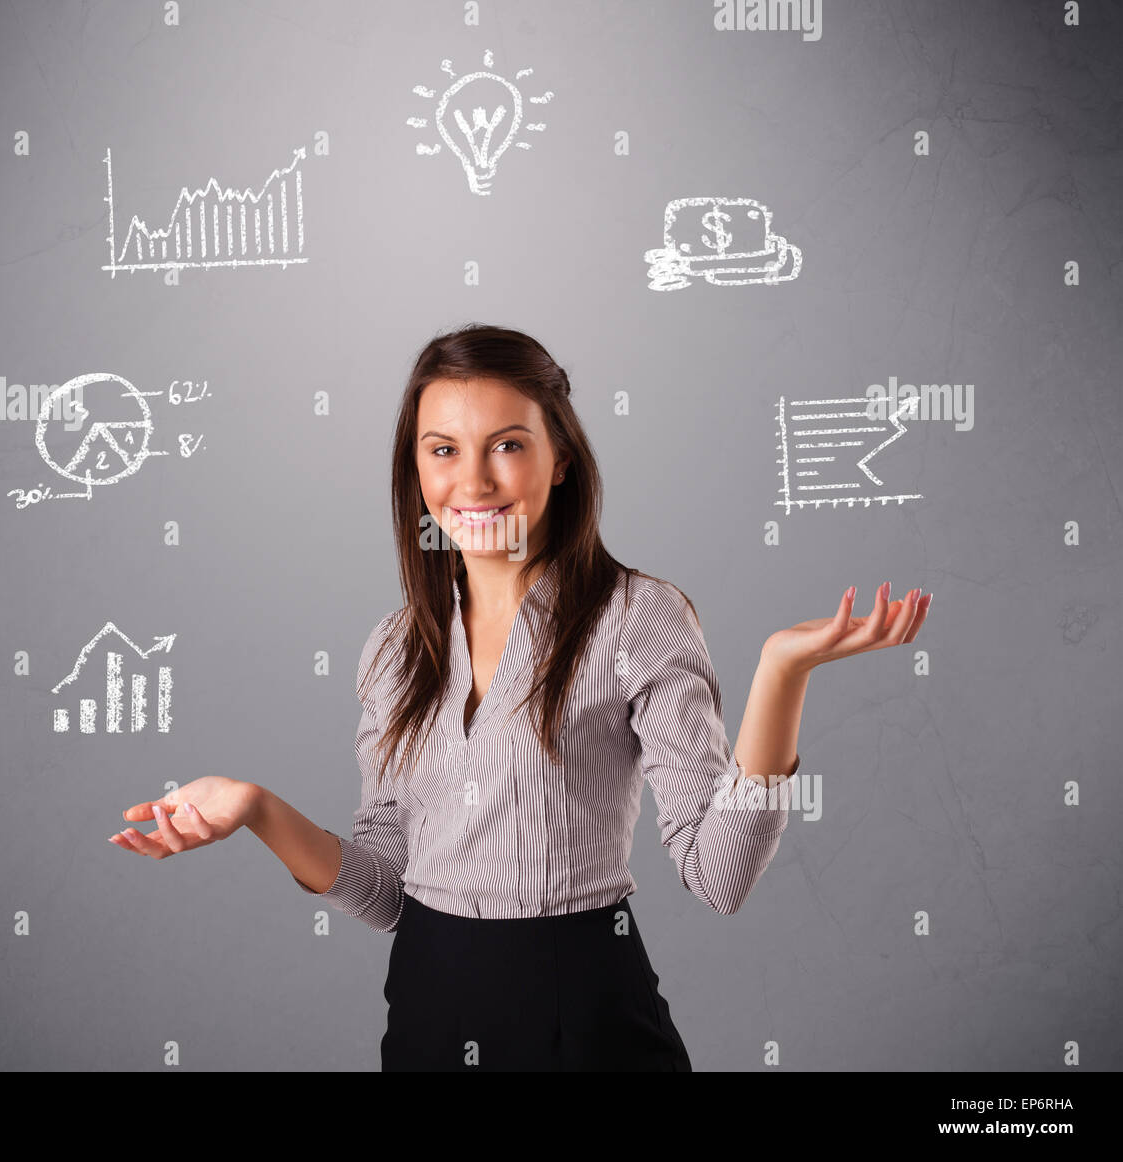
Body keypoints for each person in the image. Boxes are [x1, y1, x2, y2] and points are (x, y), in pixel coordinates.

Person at [108, 323, 932, 1071]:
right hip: (428, 1014)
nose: (472, 481)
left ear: (560, 457)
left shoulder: (638, 617)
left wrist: (781, 674)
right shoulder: (396, 649)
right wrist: (256, 808)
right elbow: (386, 891)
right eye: (442, 450)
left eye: (506, 444)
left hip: (589, 1018)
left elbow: (719, 877)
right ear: (415, 468)